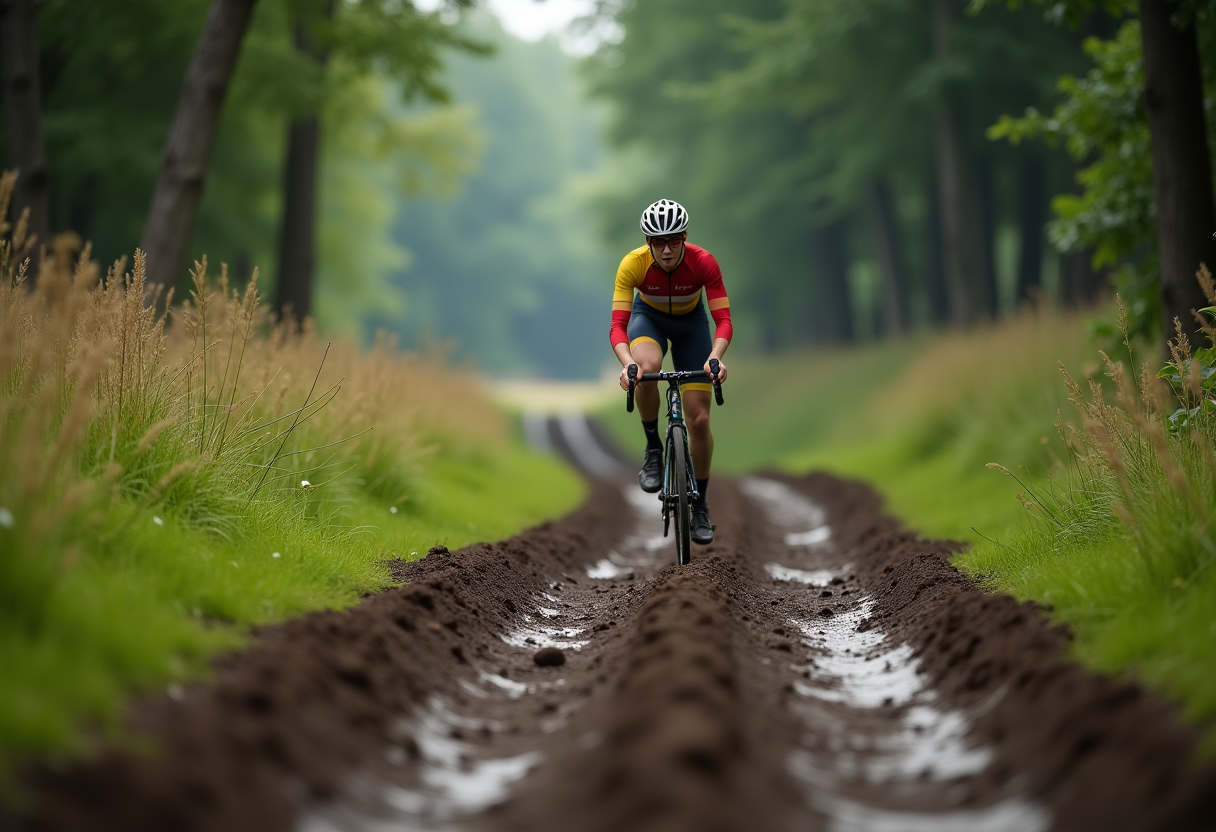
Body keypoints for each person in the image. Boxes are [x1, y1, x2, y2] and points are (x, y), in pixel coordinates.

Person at [609, 199, 732, 545]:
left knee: (700, 421)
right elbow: (617, 327)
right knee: (646, 369)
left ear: (685, 238)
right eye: (658, 242)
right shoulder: (632, 264)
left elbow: (723, 320)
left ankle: (701, 506)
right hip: (648, 319)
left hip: (692, 326)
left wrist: (716, 357)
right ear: (648, 242)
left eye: (673, 240)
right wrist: (627, 364)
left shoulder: (703, 262)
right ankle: (653, 449)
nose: (666, 250)